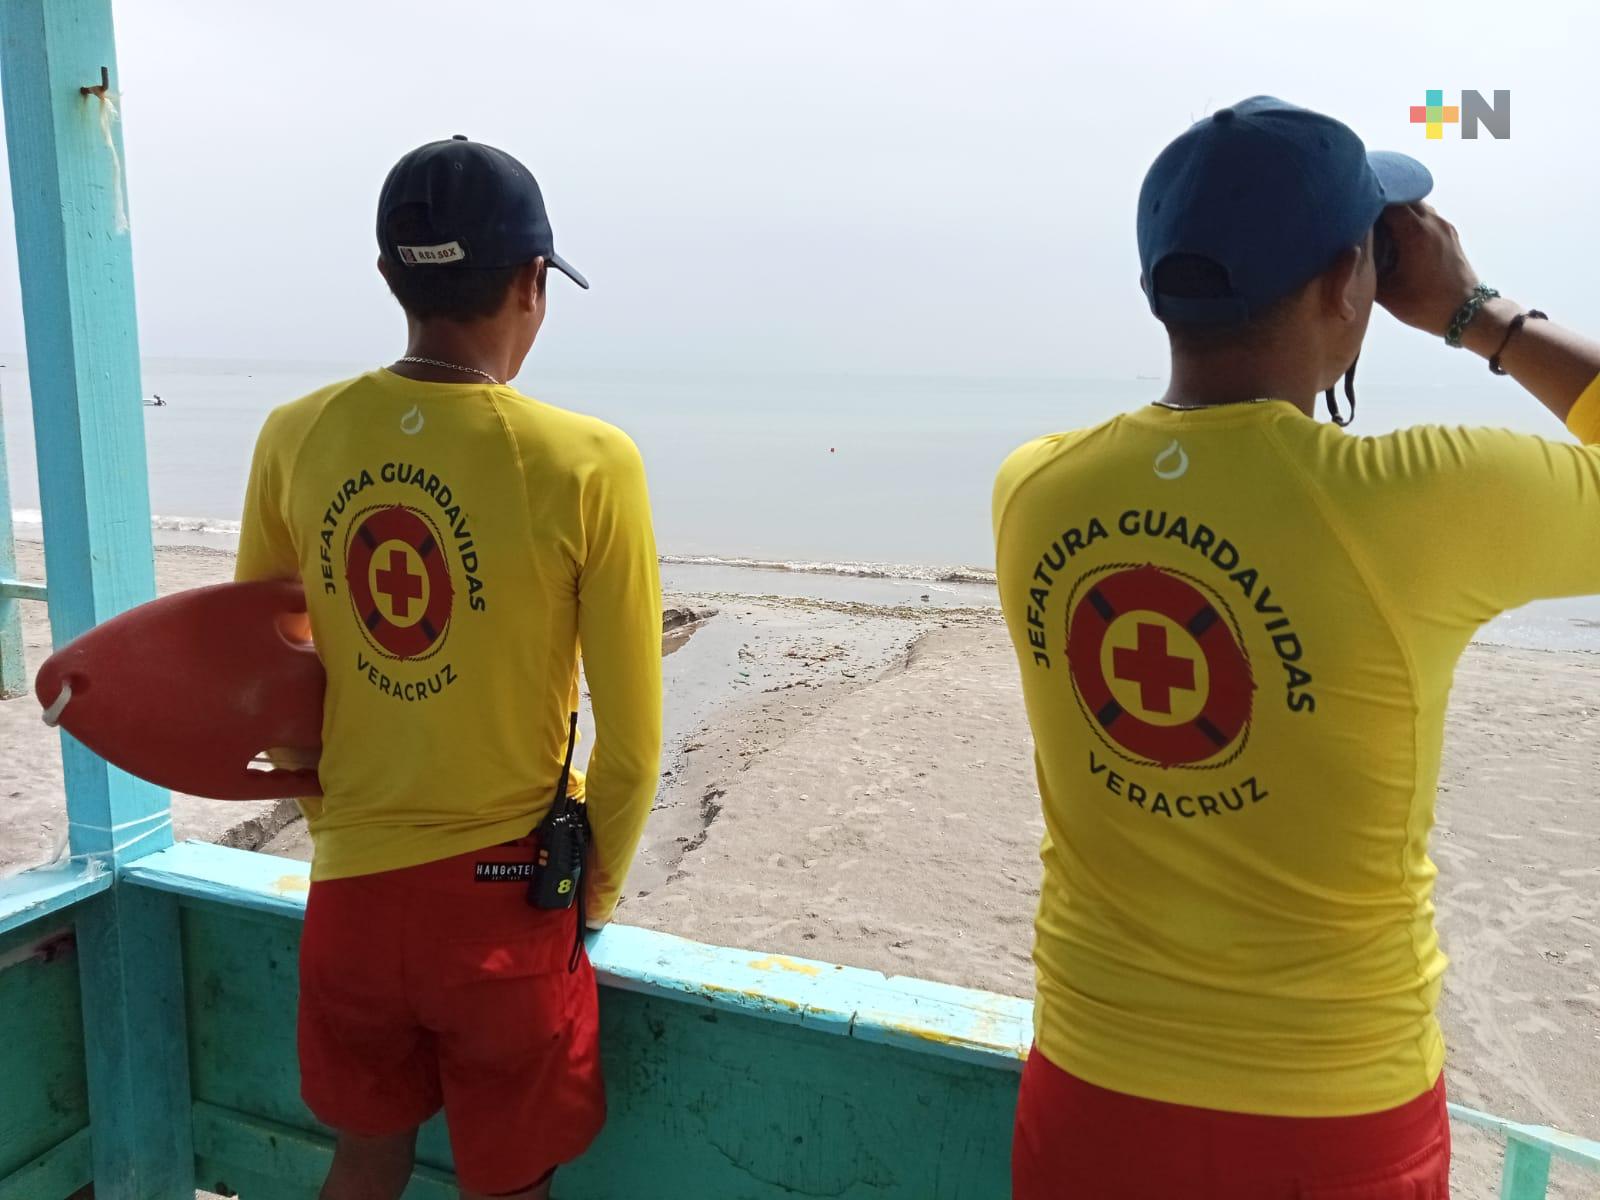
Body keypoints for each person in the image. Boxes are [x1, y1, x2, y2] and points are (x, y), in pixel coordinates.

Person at [995, 96, 1600, 1199]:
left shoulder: (1033, 488)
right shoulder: (1418, 501)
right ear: (1347, 280)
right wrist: (1475, 312)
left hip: (1090, 1093)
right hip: (1331, 1118)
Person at [235, 137, 662, 1200]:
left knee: (363, 1160)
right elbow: (634, 747)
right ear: (531, 285)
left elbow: (267, 675)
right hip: (506, 907)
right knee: (509, 1184)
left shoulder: (295, 435)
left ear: (390, 276)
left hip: (351, 899)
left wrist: (342, 831)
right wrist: (587, 904)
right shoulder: (588, 461)